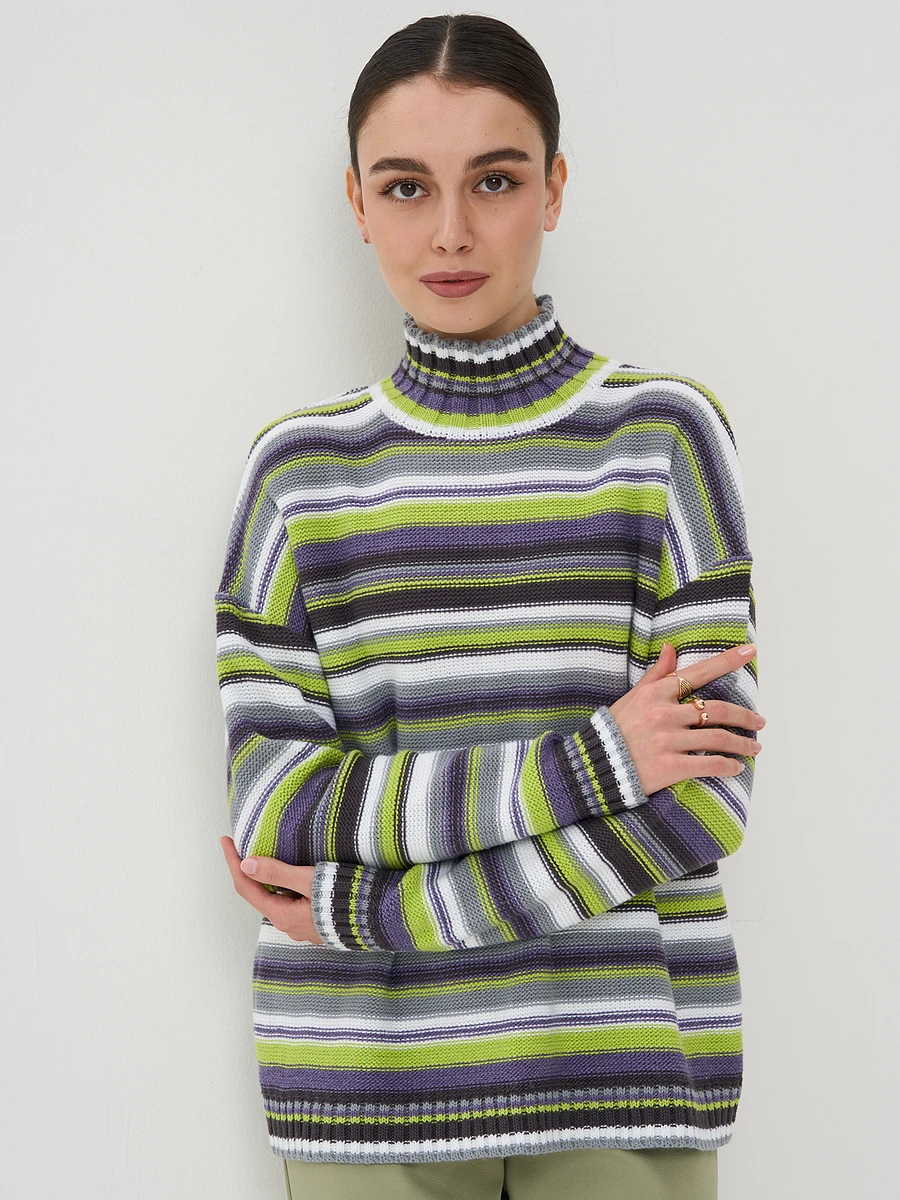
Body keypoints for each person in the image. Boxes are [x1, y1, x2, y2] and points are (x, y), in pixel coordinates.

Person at [213, 13, 763, 1200]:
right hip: (364, 1085)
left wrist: (388, 913)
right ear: (358, 203)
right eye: (406, 186)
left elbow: (703, 799)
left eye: (496, 180)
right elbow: (279, 803)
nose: (451, 231)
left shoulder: (664, 439)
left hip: (618, 1064)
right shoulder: (299, 476)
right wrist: (594, 761)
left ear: (554, 187)